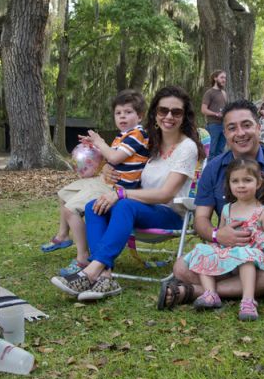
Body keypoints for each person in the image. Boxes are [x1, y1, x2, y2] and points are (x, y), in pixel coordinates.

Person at [51, 86, 204, 301]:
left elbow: (165, 194)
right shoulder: (151, 141)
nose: (168, 116)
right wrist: (107, 170)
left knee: (122, 204)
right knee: (93, 207)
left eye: (176, 112)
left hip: (170, 214)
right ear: (155, 114)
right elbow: (122, 164)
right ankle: (106, 277)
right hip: (142, 208)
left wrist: (121, 195)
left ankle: (90, 272)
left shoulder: (186, 147)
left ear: (184, 116)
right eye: (163, 110)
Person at [158, 99, 264, 310]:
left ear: (258, 127)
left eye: (246, 125)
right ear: (225, 133)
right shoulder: (214, 169)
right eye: (232, 128)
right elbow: (201, 219)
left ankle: (196, 292)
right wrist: (216, 235)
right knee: (181, 268)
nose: (240, 133)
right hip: (228, 255)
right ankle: (262, 288)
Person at [41, 89, 149, 277]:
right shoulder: (122, 136)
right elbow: (111, 159)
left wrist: (100, 142)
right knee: (63, 193)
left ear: (139, 116)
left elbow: (115, 157)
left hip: (115, 189)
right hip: (104, 181)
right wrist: (95, 145)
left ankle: (82, 258)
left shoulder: (137, 134)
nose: (122, 116)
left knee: (70, 209)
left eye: (128, 112)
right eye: (118, 113)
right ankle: (63, 235)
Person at [183, 159, 264, 321]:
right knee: (202, 249)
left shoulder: (262, 212)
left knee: (244, 256)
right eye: (235, 181)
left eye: (247, 180)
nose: (241, 185)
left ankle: (248, 301)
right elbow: (221, 235)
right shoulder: (227, 209)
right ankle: (210, 294)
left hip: (252, 257)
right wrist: (212, 248)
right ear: (229, 184)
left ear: (258, 183)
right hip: (229, 254)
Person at [201, 70, 227, 162]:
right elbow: (203, 110)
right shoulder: (209, 93)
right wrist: (216, 114)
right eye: (222, 77)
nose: (224, 80)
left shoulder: (224, 93)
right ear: (215, 78)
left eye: (225, 78)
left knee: (220, 151)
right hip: (213, 126)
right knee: (211, 152)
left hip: (224, 126)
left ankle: (218, 173)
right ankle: (209, 174)